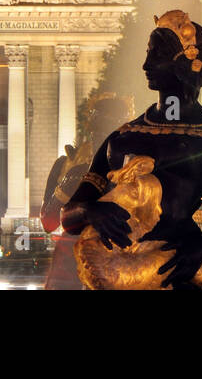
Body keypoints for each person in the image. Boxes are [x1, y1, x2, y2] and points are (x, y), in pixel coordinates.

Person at [60, 10, 202, 288]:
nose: (146, 64)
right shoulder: (122, 138)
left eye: (155, 54)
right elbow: (68, 216)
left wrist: (201, 247)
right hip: (114, 271)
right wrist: (90, 211)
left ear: (183, 63)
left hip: (176, 273)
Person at [40, 92, 134, 289]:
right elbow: (49, 222)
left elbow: (49, 221)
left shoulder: (74, 169)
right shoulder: (68, 167)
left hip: (107, 263)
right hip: (87, 264)